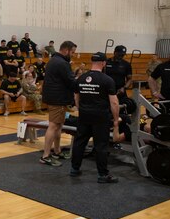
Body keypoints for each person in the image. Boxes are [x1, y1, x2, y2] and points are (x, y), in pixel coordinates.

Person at [70, 52, 120, 183]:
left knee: (80, 141)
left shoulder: (80, 78)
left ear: (92, 62)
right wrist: (116, 119)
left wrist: (82, 110)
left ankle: (74, 169)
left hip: (84, 115)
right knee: (101, 145)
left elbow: (76, 98)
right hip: (100, 116)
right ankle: (103, 175)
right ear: (103, 63)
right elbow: (114, 103)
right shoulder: (107, 80)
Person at [40, 40, 77, 166]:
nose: (73, 55)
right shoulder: (62, 63)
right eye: (72, 52)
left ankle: (57, 150)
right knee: (53, 126)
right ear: (65, 50)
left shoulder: (54, 60)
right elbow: (71, 82)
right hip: (58, 99)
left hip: (55, 97)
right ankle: (45, 155)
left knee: (59, 125)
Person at [148, 47, 170, 115]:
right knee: (165, 118)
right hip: (165, 98)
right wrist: (154, 92)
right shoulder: (162, 66)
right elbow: (151, 79)